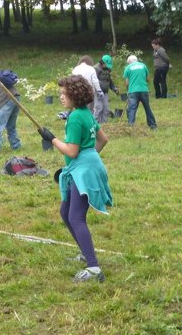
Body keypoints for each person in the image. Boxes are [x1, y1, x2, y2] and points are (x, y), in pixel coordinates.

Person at [38, 75, 113, 283]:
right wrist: (89, 157)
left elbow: (71, 151)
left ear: (76, 95)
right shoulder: (84, 113)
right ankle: (84, 252)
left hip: (83, 172)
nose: (61, 97)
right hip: (85, 167)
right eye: (60, 93)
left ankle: (94, 268)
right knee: (65, 212)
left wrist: (51, 138)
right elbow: (102, 139)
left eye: (64, 93)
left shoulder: (75, 118)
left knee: (76, 217)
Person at [123, 55, 157, 129]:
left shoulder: (128, 68)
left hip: (133, 91)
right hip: (144, 90)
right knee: (147, 108)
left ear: (129, 61)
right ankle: (153, 125)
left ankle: (131, 126)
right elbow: (148, 79)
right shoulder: (143, 66)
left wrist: (128, 91)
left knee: (132, 109)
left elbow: (127, 83)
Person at [93, 55, 119, 123]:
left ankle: (104, 125)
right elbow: (94, 81)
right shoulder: (95, 69)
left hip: (105, 92)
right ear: (102, 63)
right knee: (99, 108)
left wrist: (114, 88)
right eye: (106, 65)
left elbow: (109, 80)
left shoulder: (107, 69)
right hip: (97, 92)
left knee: (106, 109)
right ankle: (95, 124)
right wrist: (100, 87)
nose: (108, 67)